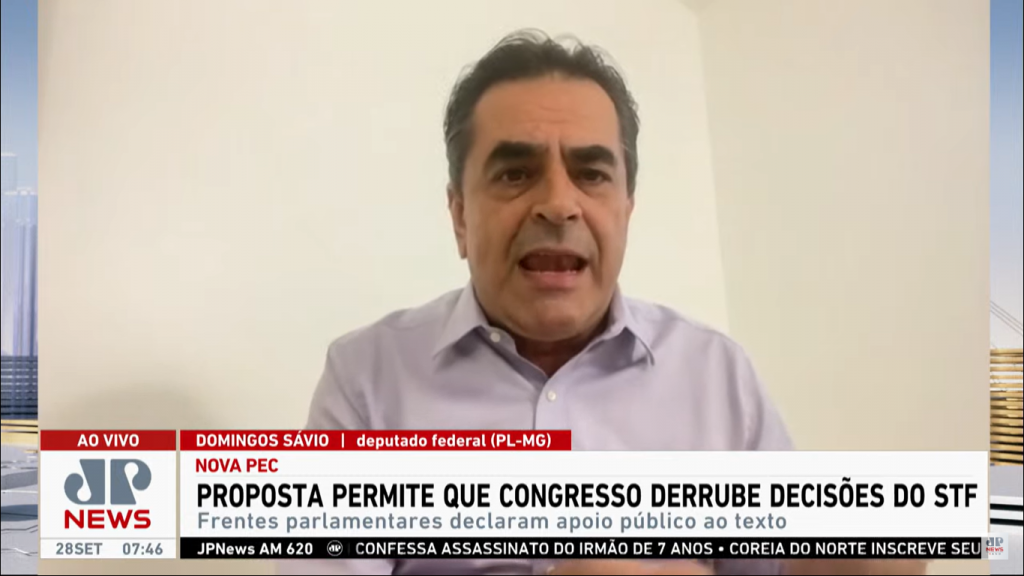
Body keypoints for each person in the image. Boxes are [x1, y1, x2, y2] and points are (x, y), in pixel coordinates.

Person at [288, 30, 925, 576]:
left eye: (591, 174)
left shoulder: (717, 375)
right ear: (459, 215)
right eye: (515, 173)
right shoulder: (366, 379)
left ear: (626, 209)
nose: (558, 204)